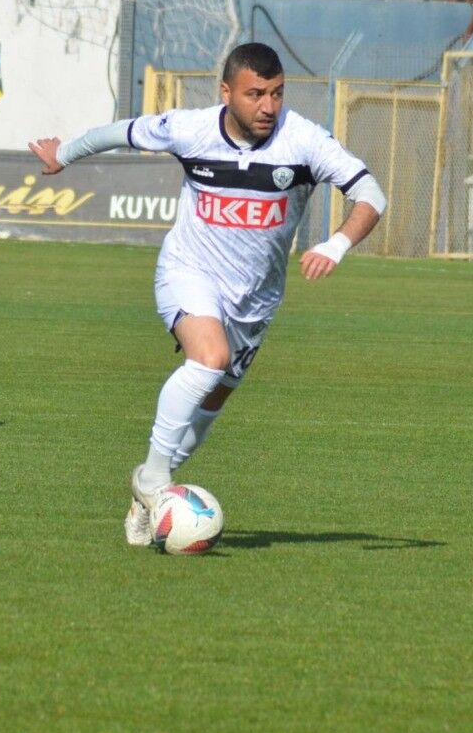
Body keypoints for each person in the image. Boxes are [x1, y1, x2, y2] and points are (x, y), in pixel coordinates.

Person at [27, 42, 387, 546]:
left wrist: (337, 243)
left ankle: (147, 490)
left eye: (277, 93)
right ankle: (156, 480)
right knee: (210, 358)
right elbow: (122, 132)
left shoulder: (304, 141)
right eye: (255, 94)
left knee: (213, 398)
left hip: (255, 301)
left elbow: (370, 193)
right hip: (188, 271)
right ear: (226, 92)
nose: (268, 106)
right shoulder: (190, 129)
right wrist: (62, 154)